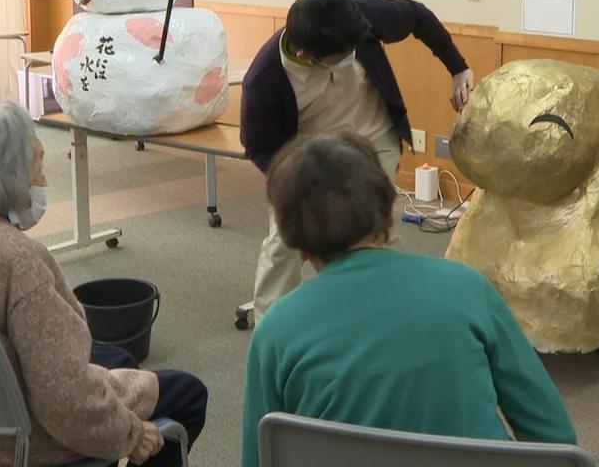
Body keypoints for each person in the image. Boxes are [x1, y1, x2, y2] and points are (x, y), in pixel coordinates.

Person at [0, 101, 207, 467]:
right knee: (188, 392)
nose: (43, 182)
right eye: (37, 169)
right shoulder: (19, 260)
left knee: (120, 358)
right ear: (6, 178)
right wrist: (130, 433)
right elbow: (64, 401)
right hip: (17, 438)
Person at [240, 133, 576, 467]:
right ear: (387, 209)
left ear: (296, 245)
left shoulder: (275, 331)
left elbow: (261, 458)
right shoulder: (467, 288)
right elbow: (554, 438)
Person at [240, 0, 475, 319]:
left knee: (377, 235)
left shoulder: (358, 15)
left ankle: (381, 316)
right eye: (344, 54)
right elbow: (258, 145)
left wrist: (458, 68)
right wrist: (293, 182)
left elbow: (417, 15)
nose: (355, 53)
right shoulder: (266, 78)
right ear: (308, 56)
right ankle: (270, 326)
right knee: (285, 243)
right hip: (308, 154)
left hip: (373, 139)